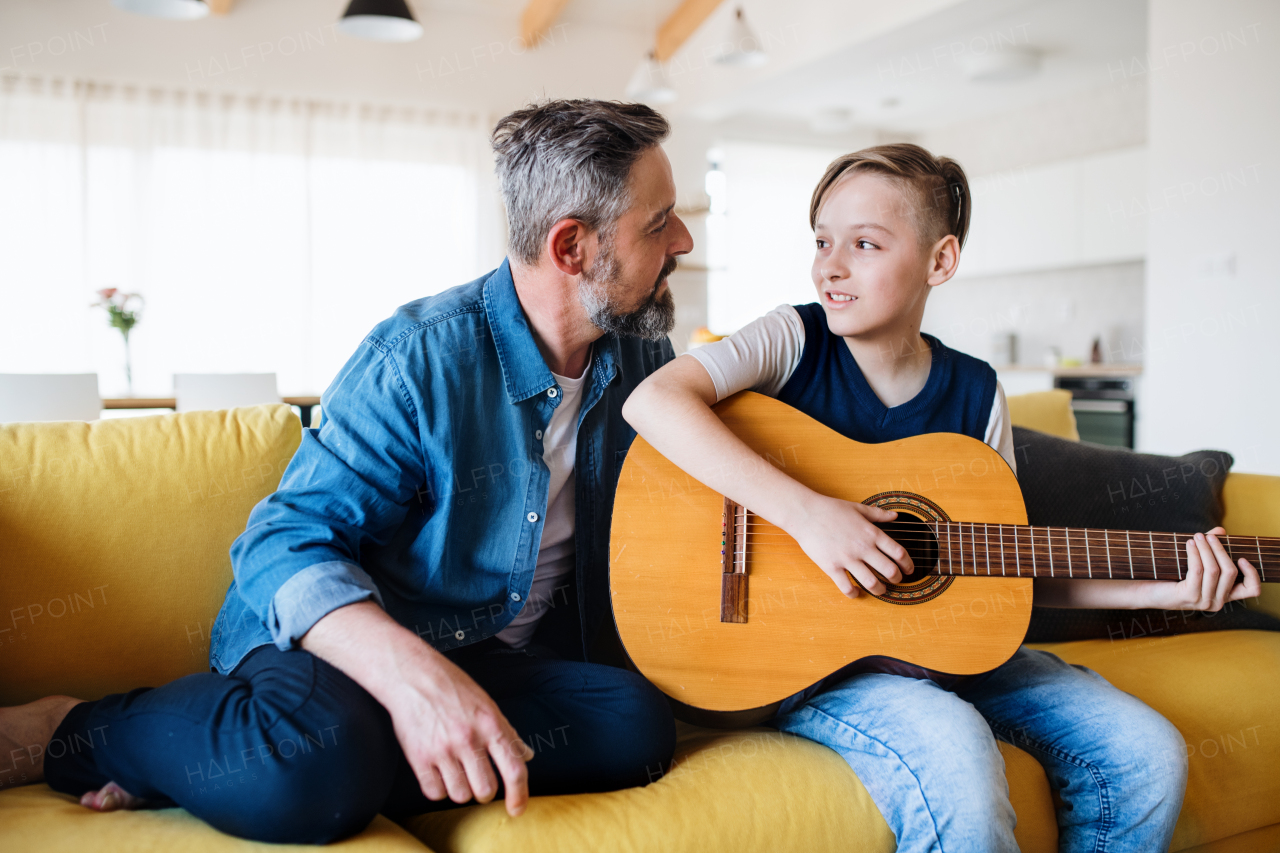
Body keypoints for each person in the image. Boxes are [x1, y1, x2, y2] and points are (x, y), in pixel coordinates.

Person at [0, 99, 692, 844]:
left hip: (480, 653)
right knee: (317, 768)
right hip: (342, 639)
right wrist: (415, 683)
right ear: (571, 247)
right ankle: (76, 728)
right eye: (659, 223)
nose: (683, 239)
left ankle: (241, 753)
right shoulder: (417, 358)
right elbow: (279, 543)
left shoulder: (645, 363)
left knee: (637, 724)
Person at [621, 143, 1262, 853]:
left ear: (940, 261)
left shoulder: (977, 390)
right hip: (822, 666)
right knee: (956, 758)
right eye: (823, 240)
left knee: (1147, 754)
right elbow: (654, 401)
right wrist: (808, 515)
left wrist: (1159, 595)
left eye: (863, 244)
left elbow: (1007, 570)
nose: (830, 264)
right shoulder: (792, 339)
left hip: (961, 654)